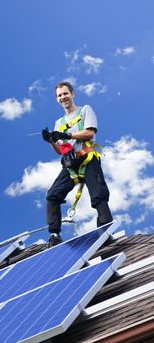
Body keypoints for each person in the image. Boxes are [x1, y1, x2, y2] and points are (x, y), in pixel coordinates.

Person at [42, 82, 113, 247]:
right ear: (57, 99)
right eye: (60, 95)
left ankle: (106, 229)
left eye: (65, 94)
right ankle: (54, 235)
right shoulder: (58, 122)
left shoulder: (85, 110)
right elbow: (60, 150)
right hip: (70, 164)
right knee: (53, 195)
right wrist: (51, 141)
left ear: (72, 94)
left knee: (98, 193)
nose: (63, 97)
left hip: (87, 157)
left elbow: (89, 132)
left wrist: (66, 135)